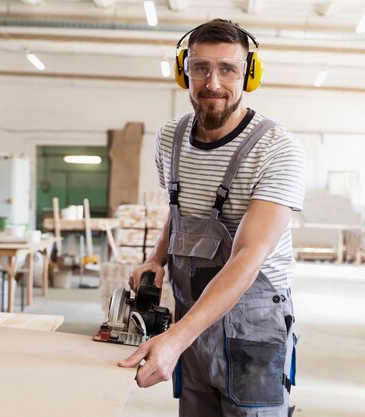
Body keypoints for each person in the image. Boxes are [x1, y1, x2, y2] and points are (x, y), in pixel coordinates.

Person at [118, 19, 305, 417]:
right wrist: (157, 259)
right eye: (201, 68)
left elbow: (249, 257)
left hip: (252, 330)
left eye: (227, 69)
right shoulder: (169, 138)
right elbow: (179, 212)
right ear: (183, 71)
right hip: (192, 316)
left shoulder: (277, 148)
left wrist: (175, 339)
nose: (212, 83)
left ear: (249, 75)